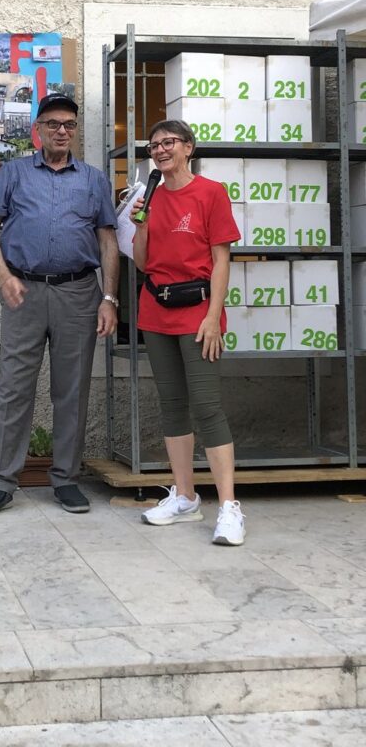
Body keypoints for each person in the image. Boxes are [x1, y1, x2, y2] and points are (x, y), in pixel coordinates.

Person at [0, 93, 120, 518]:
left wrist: (109, 298)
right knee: (13, 388)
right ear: (38, 130)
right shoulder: (14, 173)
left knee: (72, 390)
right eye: (53, 123)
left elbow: (108, 241)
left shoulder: (94, 180)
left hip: (79, 294)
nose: (61, 131)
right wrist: (5, 278)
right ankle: (0, 483)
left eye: (69, 124)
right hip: (25, 292)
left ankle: (66, 480)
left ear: (75, 130)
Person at [131, 119, 245, 546]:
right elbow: (142, 263)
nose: (160, 150)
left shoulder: (211, 193)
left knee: (207, 406)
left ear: (188, 148)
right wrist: (140, 224)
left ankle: (229, 506)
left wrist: (213, 317)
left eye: (168, 143)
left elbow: (221, 260)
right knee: (173, 405)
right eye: (154, 146)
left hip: (198, 312)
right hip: (156, 311)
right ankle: (184, 497)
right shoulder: (151, 196)